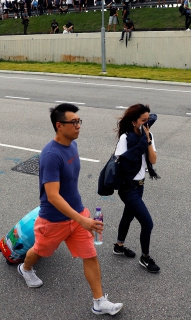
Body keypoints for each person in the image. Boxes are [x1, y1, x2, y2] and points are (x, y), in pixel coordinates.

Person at [17, 103, 124, 316]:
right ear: (59, 125)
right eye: (73, 122)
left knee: (90, 255)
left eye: (79, 121)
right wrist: (81, 219)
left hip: (77, 214)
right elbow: (53, 196)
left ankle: (99, 301)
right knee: (40, 251)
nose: (78, 126)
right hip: (53, 220)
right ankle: (25, 268)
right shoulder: (50, 155)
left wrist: (81, 218)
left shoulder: (72, 146)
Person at [113, 104, 160, 273]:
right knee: (147, 223)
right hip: (127, 188)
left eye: (148, 120)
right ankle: (145, 258)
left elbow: (153, 160)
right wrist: (139, 145)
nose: (146, 124)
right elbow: (122, 162)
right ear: (134, 122)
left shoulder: (148, 136)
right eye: (143, 121)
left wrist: (146, 141)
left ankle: (119, 246)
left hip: (140, 186)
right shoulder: (126, 138)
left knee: (128, 215)